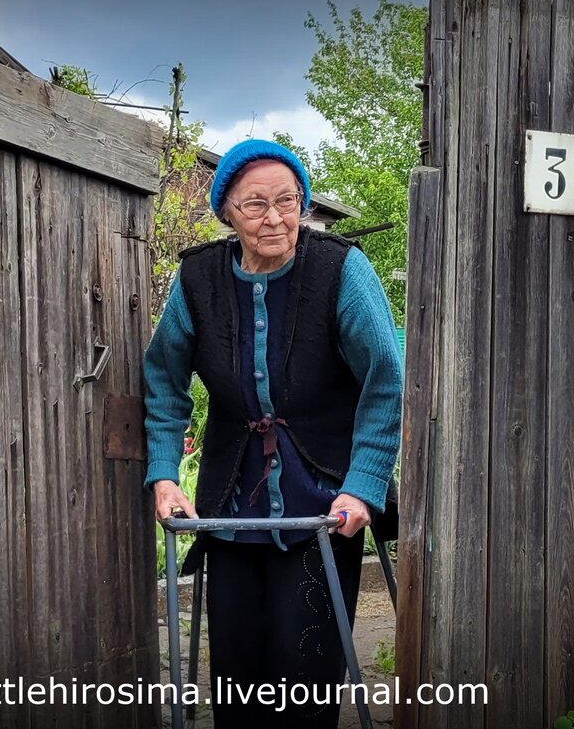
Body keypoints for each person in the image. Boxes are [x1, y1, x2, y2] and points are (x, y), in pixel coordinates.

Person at [143, 138, 403, 728]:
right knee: (236, 679)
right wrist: (163, 473)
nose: (275, 217)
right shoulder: (198, 279)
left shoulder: (341, 269)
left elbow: (386, 377)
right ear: (227, 212)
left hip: (322, 507)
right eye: (256, 204)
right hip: (232, 510)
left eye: (288, 201)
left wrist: (363, 485)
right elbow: (162, 378)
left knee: (304, 676)